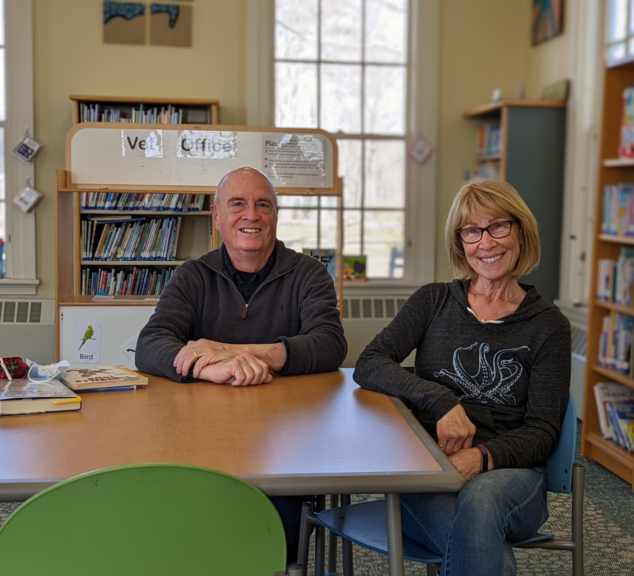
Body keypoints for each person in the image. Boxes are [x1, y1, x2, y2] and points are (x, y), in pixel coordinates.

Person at [353, 180, 570, 576]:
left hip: (513, 477)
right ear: (461, 242)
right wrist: (442, 402)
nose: (486, 243)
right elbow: (370, 362)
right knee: (484, 546)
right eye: (472, 231)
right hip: (428, 468)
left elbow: (542, 431)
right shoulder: (433, 301)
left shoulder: (548, 325)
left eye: (498, 227)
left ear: (520, 231)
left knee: (482, 501)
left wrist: (480, 458)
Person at [134, 166, 347, 563]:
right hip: (202, 440)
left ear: (276, 215)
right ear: (217, 217)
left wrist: (235, 353)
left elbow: (330, 344)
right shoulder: (191, 276)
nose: (251, 215)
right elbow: (150, 344)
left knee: (278, 547)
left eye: (262, 204)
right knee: (186, 535)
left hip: (287, 442)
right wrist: (208, 368)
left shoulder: (310, 273)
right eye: (238, 204)